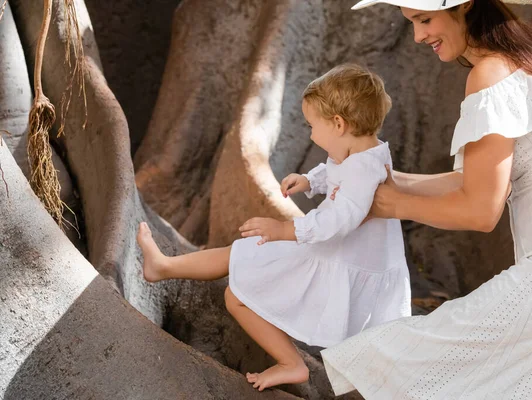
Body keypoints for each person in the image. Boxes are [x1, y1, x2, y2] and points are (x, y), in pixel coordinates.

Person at [320, 0, 532, 399]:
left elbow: (480, 209)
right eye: (412, 22)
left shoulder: (490, 74)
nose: (418, 36)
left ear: (465, 6)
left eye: (425, 19)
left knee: (380, 369)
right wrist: (392, 182)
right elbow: (474, 181)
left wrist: (389, 206)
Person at [136, 63, 411, 391]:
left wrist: (283, 230)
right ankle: (163, 266)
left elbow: (341, 218)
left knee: (236, 295)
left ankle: (291, 363)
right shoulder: (366, 152)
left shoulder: (364, 170)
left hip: (334, 259)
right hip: (329, 252)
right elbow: (338, 169)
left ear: (338, 124)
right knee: (238, 258)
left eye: (312, 126)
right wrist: (310, 179)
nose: (310, 134)